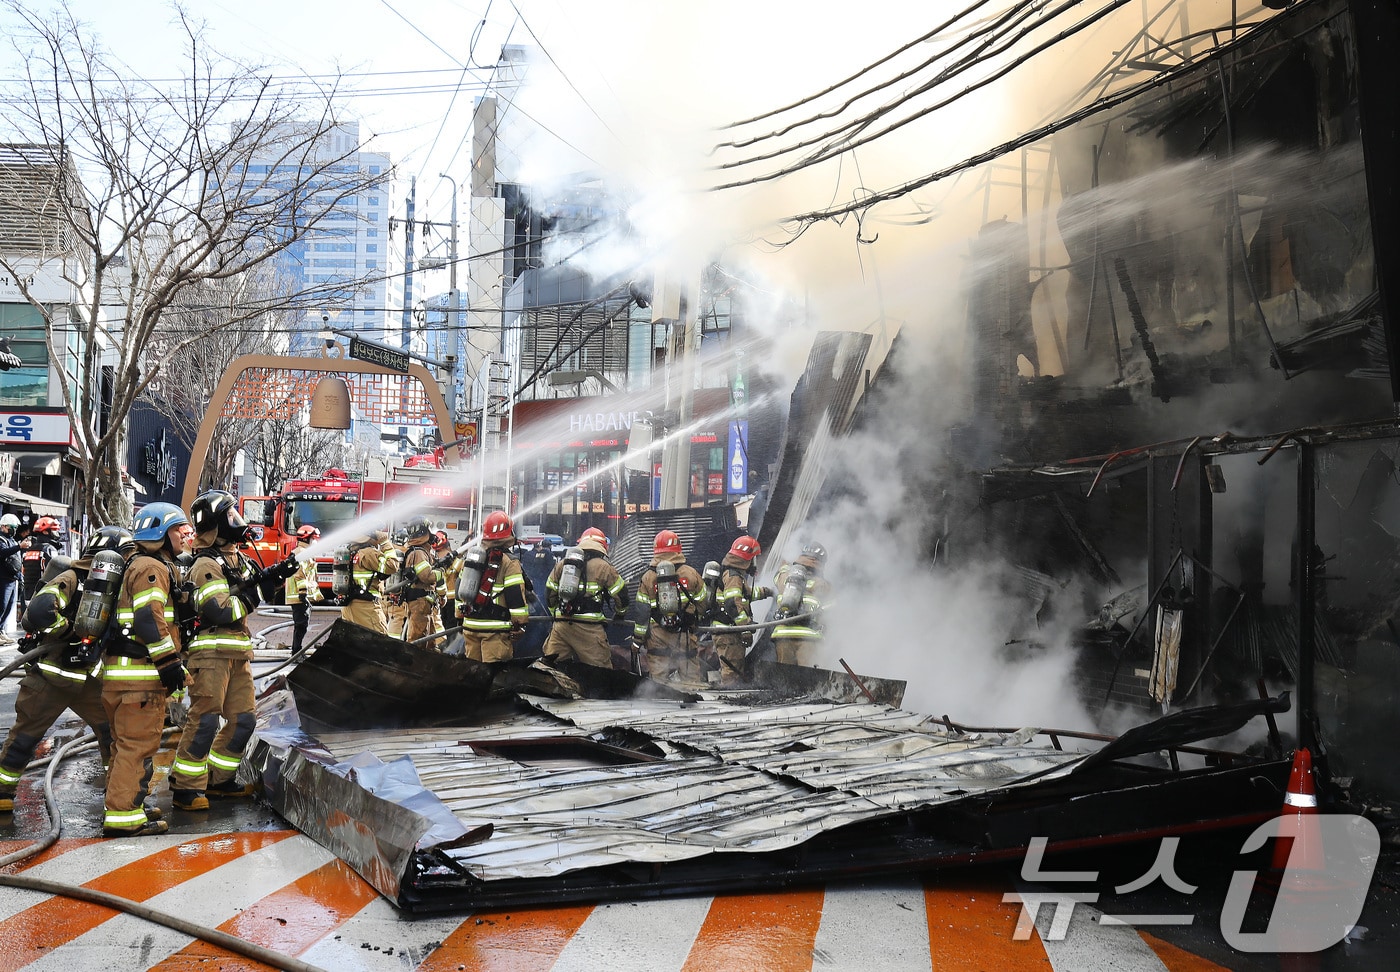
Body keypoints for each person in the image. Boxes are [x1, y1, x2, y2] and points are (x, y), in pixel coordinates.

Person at [0, 527, 131, 813]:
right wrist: (70, 632)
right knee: (26, 737)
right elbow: (40, 612)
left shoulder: (109, 587)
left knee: (113, 734)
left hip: (88, 678)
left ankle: (118, 792)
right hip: (52, 675)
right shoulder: (71, 577)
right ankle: (2, 793)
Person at [167, 490, 261, 811]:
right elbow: (218, 610)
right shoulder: (206, 563)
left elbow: (258, 587)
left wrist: (273, 579)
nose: (238, 522)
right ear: (216, 525)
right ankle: (185, 787)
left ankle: (219, 779)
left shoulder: (237, 558)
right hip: (209, 655)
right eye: (231, 516)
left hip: (237, 654)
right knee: (206, 721)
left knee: (245, 720)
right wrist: (251, 597)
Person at [103, 501, 190, 837]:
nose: (184, 533)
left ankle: (125, 804)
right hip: (139, 679)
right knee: (136, 747)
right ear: (159, 534)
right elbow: (148, 620)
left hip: (122, 679)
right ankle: (125, 819)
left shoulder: (137, 564)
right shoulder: (151, 568)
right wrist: (169, 663)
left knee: (123, 746)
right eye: (177, 528)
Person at [542, 527, 629, 669]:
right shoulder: (604, 567)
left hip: (561, 627)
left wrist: (555, 614)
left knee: (552, 669)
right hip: (589, 628)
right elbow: (622, 595)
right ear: (601, 546)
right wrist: (620, 614)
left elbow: (549, 593)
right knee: (600, 673)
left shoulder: (562, 564)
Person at [633, 530, 708, 681]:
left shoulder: (648, 577)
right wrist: (693, 621)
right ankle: (691, 698)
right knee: (690, 680)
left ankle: (658, 702)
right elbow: (703, 601)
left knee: (658, 683)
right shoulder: (691, 573)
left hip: (657, 636)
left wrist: (637, 640)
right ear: (678, 548)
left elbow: (642, 613)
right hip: (685, 636)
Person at [456, 511, 528, 663]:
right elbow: (515, 594)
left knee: (472, 673)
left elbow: (459, 588)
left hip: (470, 626)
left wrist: (460, 616)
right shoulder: (509, 561)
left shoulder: (472, 556)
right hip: (495, 630)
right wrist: (520, 624)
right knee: (493, 677)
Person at [711, 535, 773, 687]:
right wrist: (745, 628)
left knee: (734, 669)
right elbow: (733, 603)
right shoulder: (733, 577)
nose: (754, 563)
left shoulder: (735, 575)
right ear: (747, 559)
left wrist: (767, 592)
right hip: (728, 633)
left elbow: (746, 594)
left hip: (729, 632)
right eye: (753, 558)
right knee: (731, 672)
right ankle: (728, 703)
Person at [771, 542, 832, 667]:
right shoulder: (822, 584)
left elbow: (778, 575)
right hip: (808, 636)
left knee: (783, 678)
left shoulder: (784, 577)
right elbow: (831, 611)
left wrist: (785, 565)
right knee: (806, 678)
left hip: (782, 634)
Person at [396, 515, 438, 643]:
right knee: (417, 638)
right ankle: (414, 662)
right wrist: (441, 571)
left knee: (428, 638)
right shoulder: (418, 553)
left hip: (423, 602)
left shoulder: (421, 551)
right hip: (419, 602)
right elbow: (427, 576)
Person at [340, 531, 392, 634]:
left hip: (349, 606)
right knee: (380, 643)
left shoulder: (350, 551)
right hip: (366, 607)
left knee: (354, 645)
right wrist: (385, 543)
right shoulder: (369, 553)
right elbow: (392, 566)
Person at [284, 525, 324, 655]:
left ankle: (297, 651)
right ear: (306, 539)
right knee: (301, 625)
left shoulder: (304, 551)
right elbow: (299, 574)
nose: (315, 541)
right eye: (313, 538)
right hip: (298, 596)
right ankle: (296, 653)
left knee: (302, 624)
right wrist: (302, 593)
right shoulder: (301, 552)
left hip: (302, 595)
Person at [20, 516, 63, 606]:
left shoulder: (29, 550)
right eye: (54, 530)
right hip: (44, 594)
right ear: (45, 531)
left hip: (27, 594)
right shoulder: (49, 549)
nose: (56, 533)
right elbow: (55, 572)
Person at [431, 531, 461, 636]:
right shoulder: (435, 562)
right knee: (440, 625)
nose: (440, 555)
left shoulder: (457, 561)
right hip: (440, 599)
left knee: (450, 626)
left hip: (452, 600)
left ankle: (449, 647)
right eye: (438, 553)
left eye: (441, 552)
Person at [0, 513, 22, 641]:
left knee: (9, 607)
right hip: (3, 578)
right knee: (1, 606)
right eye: (11, 527)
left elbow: (16, 560)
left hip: (13, 579)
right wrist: (19, 546)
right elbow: (3, 553)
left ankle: (1, 630)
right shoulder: (1, 540)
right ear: (3, 526)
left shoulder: (12, 540)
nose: (13, 530)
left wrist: (20, 577)